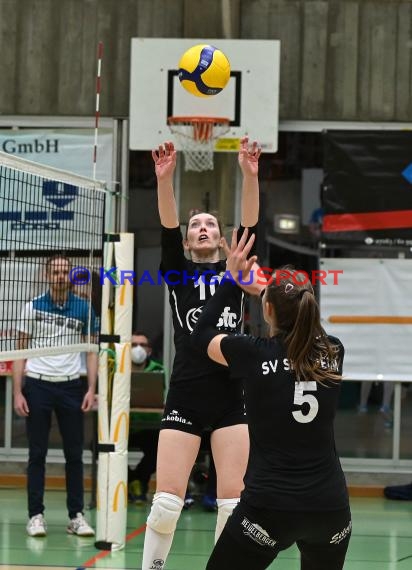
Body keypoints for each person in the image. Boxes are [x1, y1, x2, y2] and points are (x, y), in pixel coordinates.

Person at [191, 229, 352, 570]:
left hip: (269, 510)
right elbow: (299, 322)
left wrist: (232, 279)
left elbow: (202, 336)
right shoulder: (334, 350)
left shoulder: (251, 353)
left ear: (267, 310)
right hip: (330, 511)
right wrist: (269, 291)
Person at [141, 137, 261, 570]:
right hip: (188, 391)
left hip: (232, 394)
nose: (204, 228)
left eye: (211, 224)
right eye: (197, 226)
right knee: (166, 503)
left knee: (233, 503)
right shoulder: (178, 271)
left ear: (225, 241)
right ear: (190, 241)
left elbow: (250, 226)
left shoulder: (239, 268)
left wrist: (251, 175)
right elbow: (168, 227)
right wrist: (164, 180)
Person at [12, 255, 97, 538]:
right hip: (38, 386)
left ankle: (76, 516)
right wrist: (17, 392)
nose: (60, 276)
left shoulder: (85, 309)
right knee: (37, 454)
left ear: (71, 276)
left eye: (65, 272)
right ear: (46, 275)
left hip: (71, 387)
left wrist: (91, 388)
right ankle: (36, 515)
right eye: (55, 272)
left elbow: (91, 351)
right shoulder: (32, 307)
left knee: (75, 455)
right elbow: (20, 352)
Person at [128, 331, 165, 504]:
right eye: (134, 345)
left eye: (142, 345)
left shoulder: (158, 369)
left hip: (148, 426)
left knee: (160, 449)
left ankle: (139, 481)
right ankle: (132, 481)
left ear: (149, 350)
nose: (138, 349)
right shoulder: (116, 369)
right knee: (101, 447)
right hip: (124, 427)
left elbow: (161, 396)